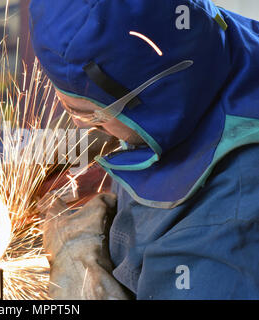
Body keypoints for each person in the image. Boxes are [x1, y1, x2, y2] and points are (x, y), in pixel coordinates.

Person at [30, 0, 259, 299]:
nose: (87, 127)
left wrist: (82, 290)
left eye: (90, 115)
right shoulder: (203, 35)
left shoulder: (216, 234)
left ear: (149, 98)